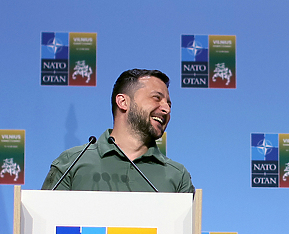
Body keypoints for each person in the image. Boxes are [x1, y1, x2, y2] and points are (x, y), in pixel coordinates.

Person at [42, 69, 194, 193]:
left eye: (169, 104)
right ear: (123, 102)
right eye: (156, 98)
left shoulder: (177, 176)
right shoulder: (72, 162)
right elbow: (46, 224)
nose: (166, 109)